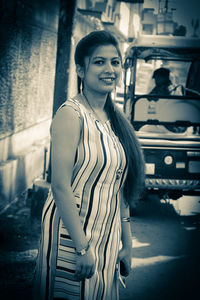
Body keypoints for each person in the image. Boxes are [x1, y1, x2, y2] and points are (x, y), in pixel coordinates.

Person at [33, 30, 145, 300]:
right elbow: (60, 186)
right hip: (72, 240)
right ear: (81, 70)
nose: (109, 69)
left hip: (106, 242)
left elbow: (119, 187)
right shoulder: (71, 115)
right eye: (99, 62)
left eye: (115, 62)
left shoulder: (114, 118)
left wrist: (127, 243)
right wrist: (82, 248)